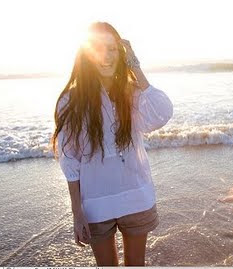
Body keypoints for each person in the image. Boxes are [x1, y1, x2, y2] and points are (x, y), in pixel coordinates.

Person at [50, 22, 173, 266]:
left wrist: (135, 66)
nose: (105, 57)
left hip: (136, 195)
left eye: (112, 49)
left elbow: (162, 112)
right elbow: (70, 159)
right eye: (97, 49)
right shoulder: (70, 100)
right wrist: (77, 212)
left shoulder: (132, 92)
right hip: (95, 202)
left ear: (122, 52)